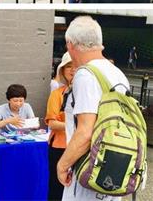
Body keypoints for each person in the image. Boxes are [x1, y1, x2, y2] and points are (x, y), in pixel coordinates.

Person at [57, 16, 130, 200]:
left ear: (70, 45)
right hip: (115, 169)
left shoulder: (86, 74)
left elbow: (85, 131)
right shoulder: (118, 73)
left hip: (88, 170)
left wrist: (63, 165)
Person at [45, 52, 75, 201]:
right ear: (62, 71)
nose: (72, 69)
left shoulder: (89, 94)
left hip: (81, 148)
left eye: (76, 66)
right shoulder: (57, 94)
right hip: (59, 147)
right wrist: (75, 126)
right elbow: (51, 122)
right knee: (57, 189)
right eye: (68, 66)